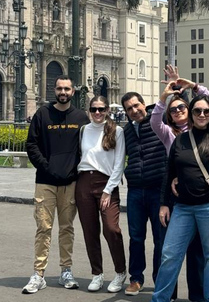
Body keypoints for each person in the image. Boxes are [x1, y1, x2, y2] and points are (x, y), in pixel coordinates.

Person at [153, 95, 209, 302]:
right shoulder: (181, 140)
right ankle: (160, 299)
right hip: (182, 208)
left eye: (206, 111)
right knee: (169, 255)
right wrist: (164, 203)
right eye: (197, 111)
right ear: (191, 114)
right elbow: (169, 172)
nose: (202, 115)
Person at [150, 66, 209, 301]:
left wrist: (194, 87)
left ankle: (197, 295)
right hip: (176, 197)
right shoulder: (169, 134)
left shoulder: (205, 129)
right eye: (173, 110)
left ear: (190, 109)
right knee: (170, 251)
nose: (177, 111)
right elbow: (154, 121)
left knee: (197, 252)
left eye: (181, 107)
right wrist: (164, 96)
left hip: (201, 196)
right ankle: (168, 295)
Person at [22, 76, 89, 294]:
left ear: (73, 91)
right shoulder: (43, 114)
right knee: (43, 228)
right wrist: (46, 167)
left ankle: (65, 271)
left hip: (70, 183)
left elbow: (87, 149)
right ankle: (38, 274)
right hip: (45, 183)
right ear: (54, 89)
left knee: (67, 229)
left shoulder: (81, 117)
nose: (63, 92)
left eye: (67, 88)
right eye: (59, 88)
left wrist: (74, 170)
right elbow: (31, 143)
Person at [76, 96, 127, 293]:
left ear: (107, 110)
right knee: (90, 231)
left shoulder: (117, 131)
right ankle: (97, 274)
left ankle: (120, 271)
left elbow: (119, 163)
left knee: (111, 228)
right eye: (94, 109)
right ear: (89, 110)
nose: (97, 113)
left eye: (101, 109)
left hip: (107, 183)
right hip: (84, 183)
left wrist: (108, 190)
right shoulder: (83, 130)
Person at [120, 91, 168, 297]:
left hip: (158, 190)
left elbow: (178, 110)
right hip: (136, 191)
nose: (134, 110)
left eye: (136, 105)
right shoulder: (126, 131)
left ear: (143, 104)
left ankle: (160, 279)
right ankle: (136, 279)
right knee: (136, 237)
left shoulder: (158, 122)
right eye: (129, 108)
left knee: (160, 238)